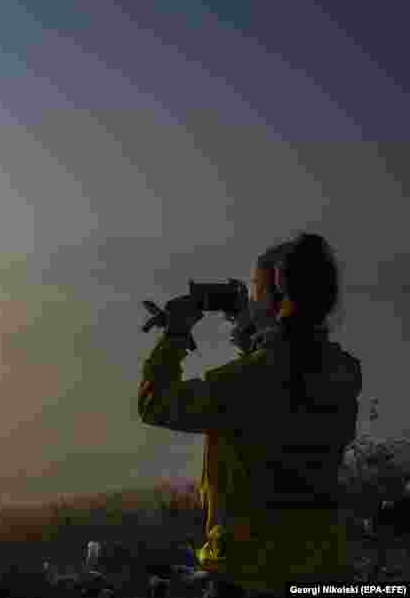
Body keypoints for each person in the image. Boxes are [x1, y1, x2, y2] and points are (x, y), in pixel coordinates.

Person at [138, 232, 363, 596]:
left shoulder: (250, 381)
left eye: (256, 292)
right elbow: (285, 384)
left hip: (249, 576)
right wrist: (257, 330)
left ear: (280, 298)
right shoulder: (344, 372)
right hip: (320, 571)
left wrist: (177, 332)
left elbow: (155, 404)